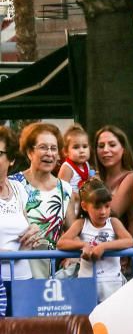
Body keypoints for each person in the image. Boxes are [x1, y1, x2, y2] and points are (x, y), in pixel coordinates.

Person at [11, 122, 77, 277]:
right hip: (17, 270)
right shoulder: (13, 184)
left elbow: (72, 233)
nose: (49, 153)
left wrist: (71, 255)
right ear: (29, 152)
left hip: (50, 273)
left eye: (53, 148)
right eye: (43, 147)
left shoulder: (64, 189)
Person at [58, 179, 133, 302]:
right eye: (97, 207)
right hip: (86, 282)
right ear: (84, 206)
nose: (103, 212)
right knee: (86, 318)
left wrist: (104, 247)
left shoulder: (113, 222)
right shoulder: (81, 224)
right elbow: (61, 243)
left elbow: (129, 241)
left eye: (107, 206)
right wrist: (83, 245)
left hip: (112, 282)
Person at [0, 126, 42, 314]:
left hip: (23, 280)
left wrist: (33, 230)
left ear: (11, 159)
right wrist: (8, 255)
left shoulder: (18, 188)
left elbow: (25, 224)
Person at [94, 125, 133, 235]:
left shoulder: (131, 178)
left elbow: (111, 214)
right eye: (101, 146)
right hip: (96, 245)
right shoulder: (95, 178)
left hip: (125, 248)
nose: (105, 150)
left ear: (123, 149)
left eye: (112, 145)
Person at [57, 124, 95, 194]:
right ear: (66, 151)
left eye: (85, 146)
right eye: (76, 147)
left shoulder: (86, 164)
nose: (81, 151)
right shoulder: (67, 168)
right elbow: (61, 191)